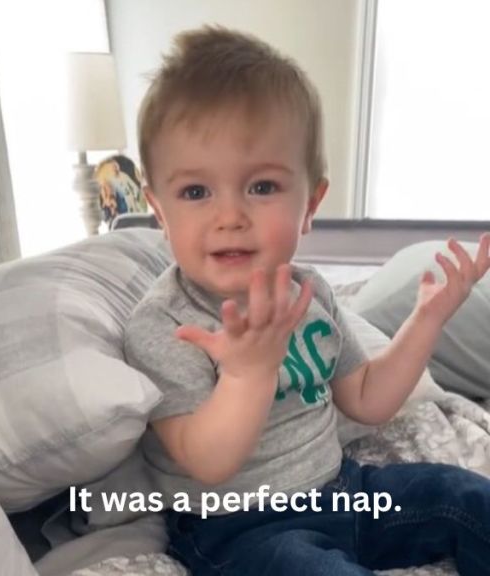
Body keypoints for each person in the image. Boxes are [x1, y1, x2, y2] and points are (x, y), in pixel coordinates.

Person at [123, 26, 490, 575]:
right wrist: (249, 373)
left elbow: (366, 399)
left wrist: (428, 318)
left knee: (465, 497)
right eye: (196, 192)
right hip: (240, 527)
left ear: (310, 201)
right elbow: (208, 462)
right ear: (158, 208)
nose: (230, 216)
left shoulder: (310, 292)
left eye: (262, 187)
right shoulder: (166, 323)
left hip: (344, 491)